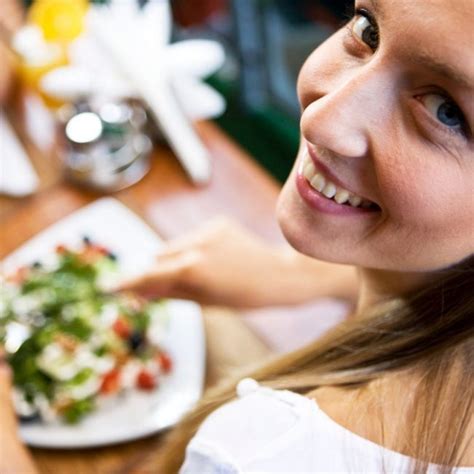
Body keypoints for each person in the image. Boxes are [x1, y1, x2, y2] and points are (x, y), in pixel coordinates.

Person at [1, 0, 472, 472]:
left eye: (447, 111)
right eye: (368, 30)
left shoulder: (261, 453)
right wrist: (296, 275)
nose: (319, 119)